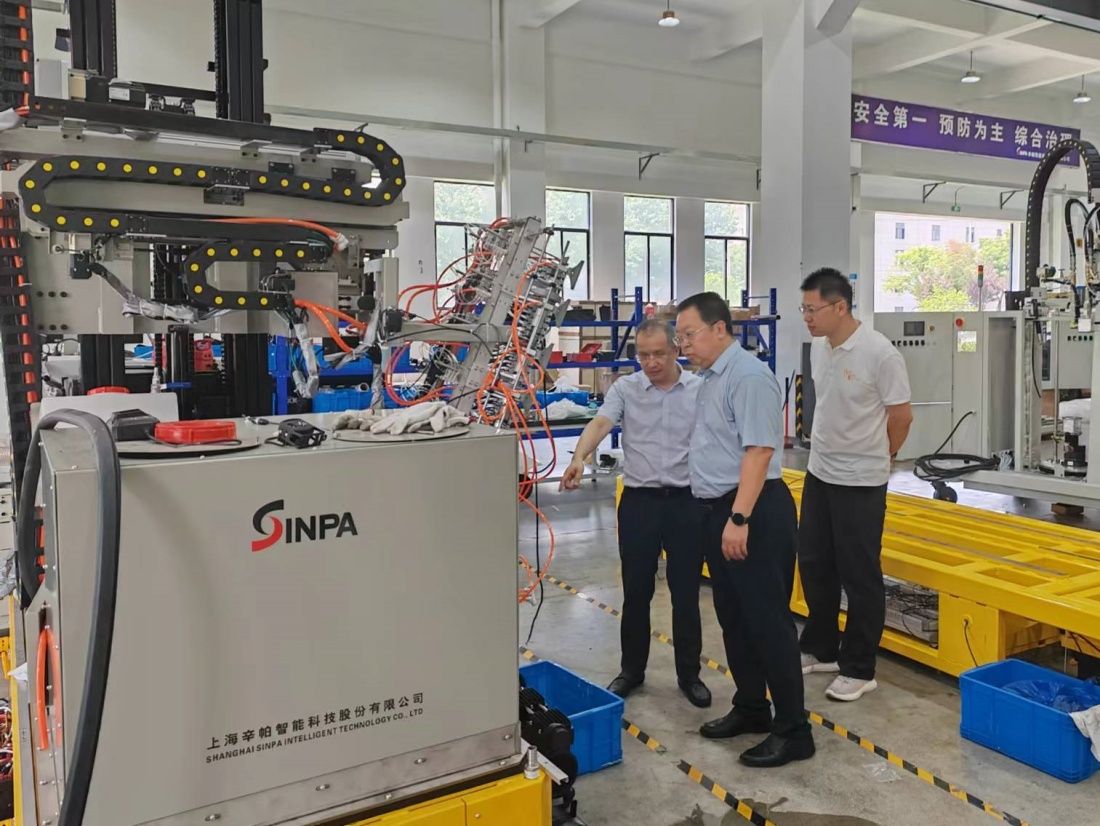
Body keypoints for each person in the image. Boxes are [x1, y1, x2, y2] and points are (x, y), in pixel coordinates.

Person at [675, 292, 814, 768]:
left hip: (753, 512)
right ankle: (753, 706)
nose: (682, 345)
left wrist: (739, 519)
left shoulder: (748, 376)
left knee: (768, 622)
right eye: (679, 337)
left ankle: (794, 730)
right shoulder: (710, 379)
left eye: (689, 335)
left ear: (719, 329)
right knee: (734, 618)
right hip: (720, 511)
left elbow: (759, 451)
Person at [561, 319, 710, 708]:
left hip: (687, 503)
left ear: (675, 349)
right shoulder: (626, 389)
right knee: (636, 592)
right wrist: (579, 457)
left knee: (685, 594)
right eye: (643, 355)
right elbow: (601, 422)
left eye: (659, 354)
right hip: (640, 504)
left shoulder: (700, 389)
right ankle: (631, 671)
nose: (651, 362)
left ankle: (689, 674)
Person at [797, 268, 913, 702]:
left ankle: (860, 668)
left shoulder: (880, 354)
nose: (807, 317)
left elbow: (901, 416)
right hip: (820, 470)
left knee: (859, 573)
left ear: (840, 306)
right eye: (803, 309)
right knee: (814, 561)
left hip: (861, 480)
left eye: (813, 309)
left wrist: (885, 454)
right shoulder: (819, 346)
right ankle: (822, 647)